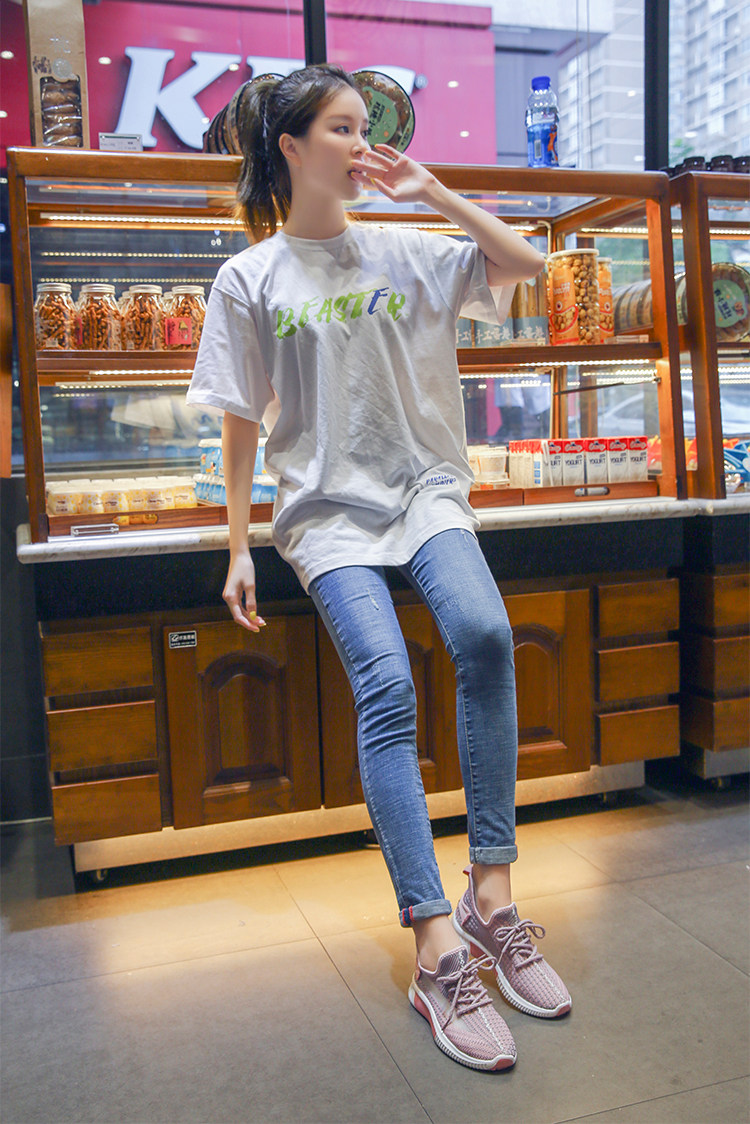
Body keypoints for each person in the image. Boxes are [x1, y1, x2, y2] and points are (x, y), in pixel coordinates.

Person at [186, 63, 571, 1072]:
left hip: (425, 488)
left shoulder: (408, 246)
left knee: (486, 635)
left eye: (367, 128)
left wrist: (432, 191)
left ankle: (492, 898)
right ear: (291, 147)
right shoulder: (251, 277)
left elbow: (526, 263)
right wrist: (238, 543)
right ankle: (435, 946)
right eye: (343, 129)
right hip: (326, 514)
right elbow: (239, 420)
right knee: (388, 683)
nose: (363, 146)